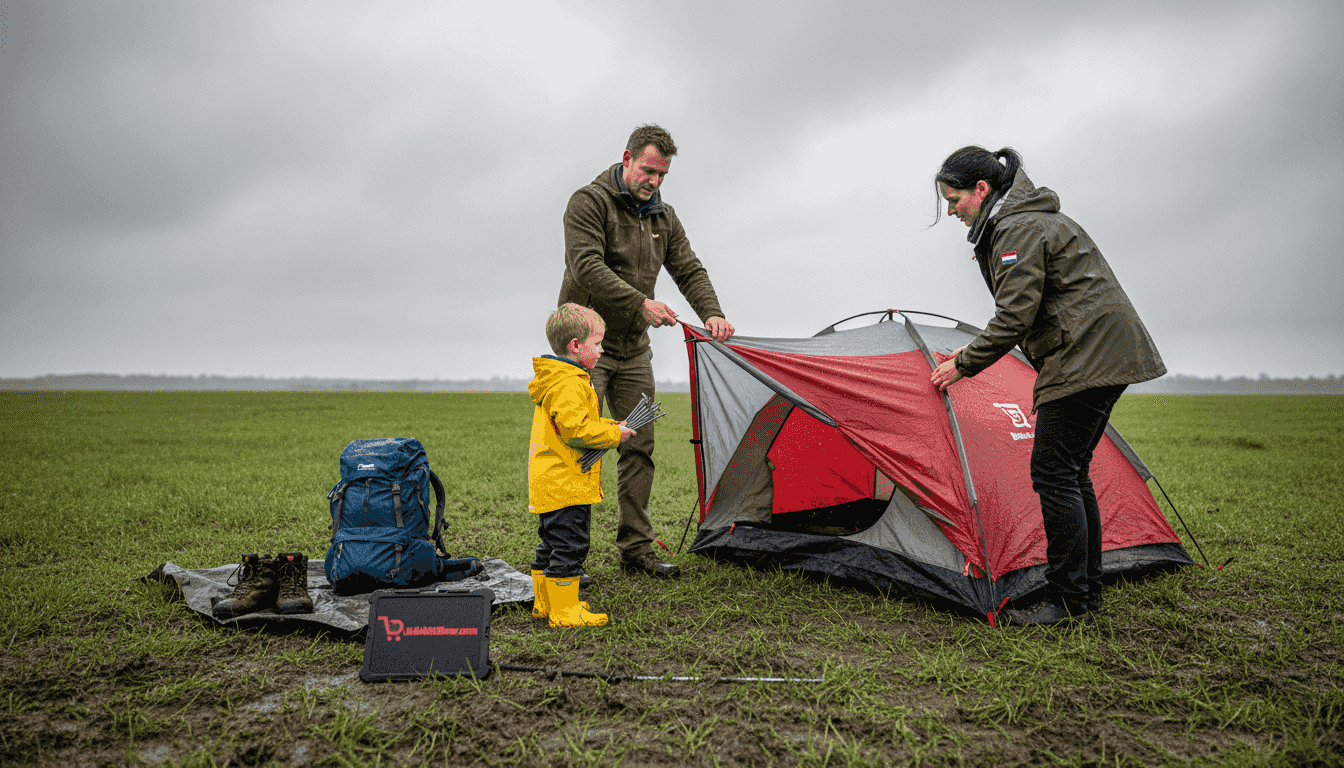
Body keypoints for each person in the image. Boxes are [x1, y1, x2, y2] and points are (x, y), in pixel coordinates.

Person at [928, 146, 1166, 626]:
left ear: (982, 189)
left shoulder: (1017, 228)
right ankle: (1085, 597)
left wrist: (965, 364)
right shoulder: (1027, 219)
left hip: (1086, 354)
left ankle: (1069, 602)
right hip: (1098, 350)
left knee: (1054, 473)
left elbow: (1016, 314)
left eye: (954, 200)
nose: (951, 211)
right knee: (1071, 473)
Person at [558, 124, 735, 578]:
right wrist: (640, 301)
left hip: (634, 351)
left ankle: (636, 550)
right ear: (627, 159)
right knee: (578, 448)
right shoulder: (588, 202)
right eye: (647, 170)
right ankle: (566, 555)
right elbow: (586, 266)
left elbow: (689, 269)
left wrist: (712, 312)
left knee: (639, 445)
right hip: (585, 352)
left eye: (661, 175)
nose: (653, 181)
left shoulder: (664, 217)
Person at [527, 303, 637, 627]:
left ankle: (545, 603)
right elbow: (576, 431)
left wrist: (609, 425)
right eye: (598, 343)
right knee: (571, 545)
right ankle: (564, 611)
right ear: (575, 345)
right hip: (566, 482)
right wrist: (613, 434)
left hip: (552, 480)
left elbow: (574, 422)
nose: (602, 350)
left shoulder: (561, 378)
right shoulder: (570, 382)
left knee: (551, 543)